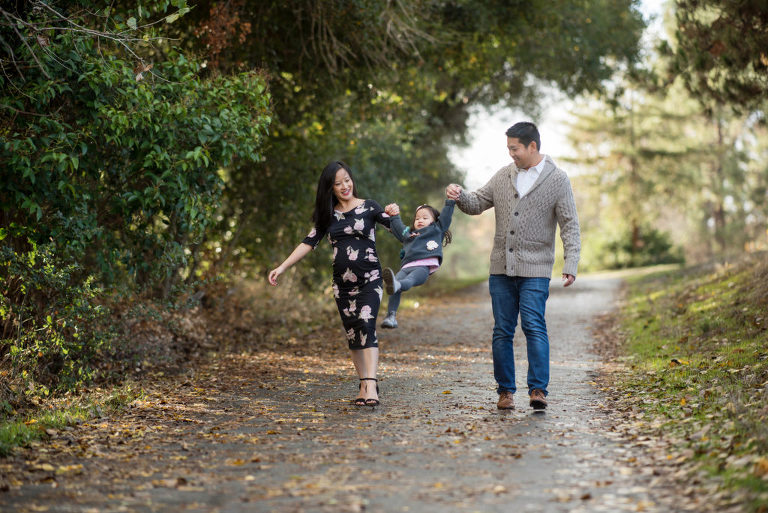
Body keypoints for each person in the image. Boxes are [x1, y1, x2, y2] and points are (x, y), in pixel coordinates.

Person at [445, 121, 580, 411]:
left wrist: (571, 262)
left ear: (532, 146)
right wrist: (459, 195)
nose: (511, 154)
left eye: (515, 148)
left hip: (536, 269)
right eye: (509, 148)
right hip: (501, 268)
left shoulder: (558, 180)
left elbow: (569, 224)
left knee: (534, 326)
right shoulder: (504, 176)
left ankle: (538, 390)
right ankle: (505, 391)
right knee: (502, 331)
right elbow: (476, 203)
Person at [268, 160, 395, 407]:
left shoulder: (370, 207)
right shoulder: (328, 215)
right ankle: (363, 383)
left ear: (352, 179)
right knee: (353, 333)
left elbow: (397, 228)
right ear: (330, 188)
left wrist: (419, 230)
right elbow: (309, 242)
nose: (345, 186)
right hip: (342, 286)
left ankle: (371, 383)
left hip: (370, 279)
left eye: (347, 180)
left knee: (367, 325)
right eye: (338, 183)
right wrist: (282, 267)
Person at [379, 200, 455, 329]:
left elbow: (446, 216)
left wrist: (450, 202)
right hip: (406, 266)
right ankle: (391, 316)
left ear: (435, 220)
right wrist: (394, 215)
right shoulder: (409, 234)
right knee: (394, 285)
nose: (420, 220)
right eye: (417, 218)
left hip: (423, 267)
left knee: (408, 280)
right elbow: (398, 227)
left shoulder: (437, 229)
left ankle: (398, 285)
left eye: (425, 218)